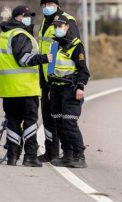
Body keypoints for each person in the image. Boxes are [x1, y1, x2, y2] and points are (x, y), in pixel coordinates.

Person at [0, 5, 52, 167]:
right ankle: (30, 157)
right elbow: (24, 60)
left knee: (13, 121)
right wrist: (44, 58)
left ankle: (12, 157)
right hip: (25, 88)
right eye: (26, 16)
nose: (30, 18)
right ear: (19, 17)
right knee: (30, 122)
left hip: (9, 89)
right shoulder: (20, 35)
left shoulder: (4, 34)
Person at [37, 0, 80, 163]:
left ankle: (71, 153)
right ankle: (51, 152)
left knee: (64, 119)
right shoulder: (45, 22)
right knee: (49, 117)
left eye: (50, 3)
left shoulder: (66, 20)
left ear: (57, 4)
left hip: (61, 78)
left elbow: (72, 48)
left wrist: (76, 81)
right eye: (44, 4)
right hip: (46, 77)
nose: (46, 7)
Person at [49, 15, 90, 168]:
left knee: (69, 123)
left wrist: (80, 87)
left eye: (60, 26)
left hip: (70, 89)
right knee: (59, 124)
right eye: (55, 26)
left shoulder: (76, 45)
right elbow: (51, 69)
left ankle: (80, 156)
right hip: (56, 90)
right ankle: (67, 155)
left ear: (67, 27)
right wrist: (50, 88)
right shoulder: (54, 45)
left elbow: (83, 70)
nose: (57, 28)